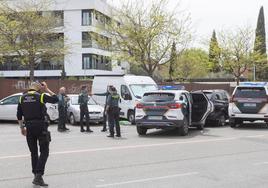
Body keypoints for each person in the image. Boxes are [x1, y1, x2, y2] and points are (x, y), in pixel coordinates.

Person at [17, 81, 58, 187]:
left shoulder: (22, 98)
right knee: (45, 151)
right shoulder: (41, 96)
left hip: (29, 127)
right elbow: (55, 99)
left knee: (33, 153)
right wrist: (47, 89)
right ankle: (38, 175)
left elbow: (19, 115)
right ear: (39, 88)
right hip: (41, 127)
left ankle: (36, 176)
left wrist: (22, 128)